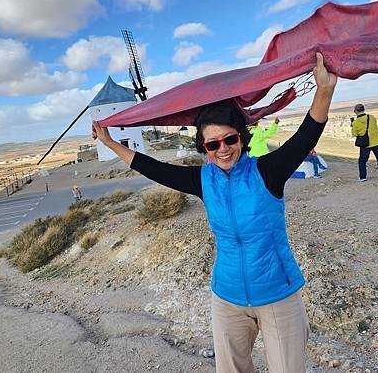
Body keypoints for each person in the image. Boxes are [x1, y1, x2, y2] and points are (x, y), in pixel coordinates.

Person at [92, 52, 336, 373]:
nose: (222, 149)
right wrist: (111, 143)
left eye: (229, 139)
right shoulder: (202, 181)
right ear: (203, 148)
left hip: (278, 295)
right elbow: (152, 167)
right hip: (228, 298)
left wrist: (325, 90)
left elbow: (305, 136)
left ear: (241, 138)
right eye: (212, 144)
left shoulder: (268, 171)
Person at [350, 104, 378, 182]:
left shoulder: (356, 122)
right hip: (377, 142)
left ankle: (362, 177)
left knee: (362, 161)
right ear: (363, 109)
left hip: (365, 144)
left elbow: (355, 134)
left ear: (355, 111)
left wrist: (353, 125)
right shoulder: (372, 117)